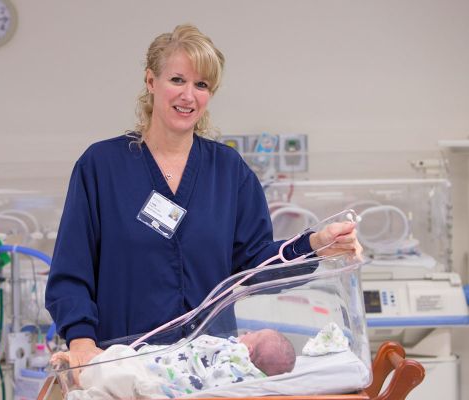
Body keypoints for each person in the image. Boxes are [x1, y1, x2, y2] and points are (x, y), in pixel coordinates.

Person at [45, 23, 362, 369]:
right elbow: (71, 272)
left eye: (201, 85)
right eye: (177, 80)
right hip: (123, 366)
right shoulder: (102, 167)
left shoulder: (228, 171)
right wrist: (81, 343)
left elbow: (254, 266)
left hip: (210, 367)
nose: (188, 95)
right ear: (151, 82)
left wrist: (313, 245)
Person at [51, 329, 296, 398]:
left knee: (123, 374)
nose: (244, 334)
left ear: (250, 349)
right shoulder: (249, 375)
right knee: (119, 361)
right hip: (160, 361)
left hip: (160, 374)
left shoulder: (235, 357)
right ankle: (82, 370)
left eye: (251, 335)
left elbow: (215, 386)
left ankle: (79, 381)